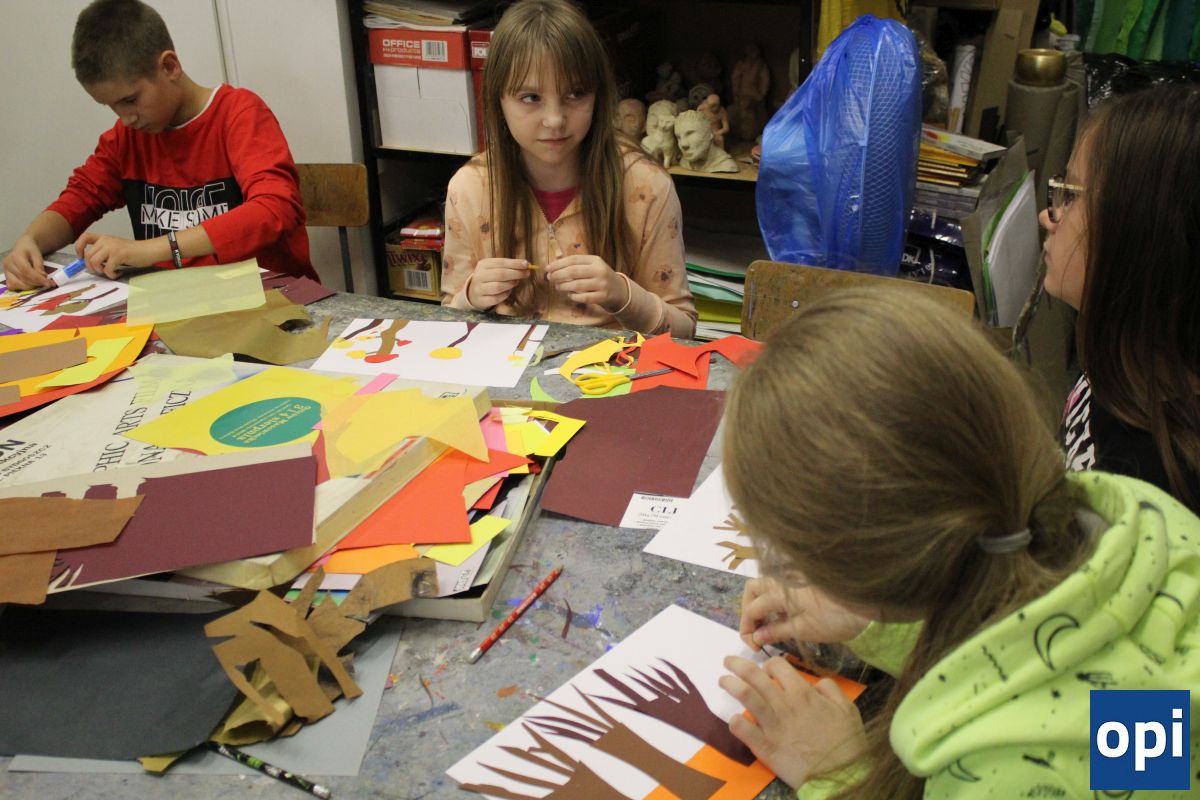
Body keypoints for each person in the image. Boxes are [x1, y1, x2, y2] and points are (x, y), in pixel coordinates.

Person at [718, 287, 1200, 799]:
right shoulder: (1135, 511)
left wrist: (835, 773)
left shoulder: (1001, 771)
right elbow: (1122, 722)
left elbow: (1075, 755)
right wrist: (875, 622)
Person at [2, 0, 317, 290]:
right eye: (112, 106)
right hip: (179, 301)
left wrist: (147, 250)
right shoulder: (127, 138)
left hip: (269, 298)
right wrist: (31, 240)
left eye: (130, 100)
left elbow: (274, 209)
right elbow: (81, 196)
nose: (126, 118)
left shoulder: (239, 114)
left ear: (169, 67)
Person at [440, 0, 696, 338]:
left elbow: (684, 331)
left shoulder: (646, 186)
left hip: (614, 365)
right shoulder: (469, 188)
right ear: (498, 99)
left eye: (575, 94)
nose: (555, 119)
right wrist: (470, 297)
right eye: (531, 97)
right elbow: (447, 319)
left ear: (598, 95)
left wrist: (623, 295)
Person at [1040, 85, 1200, 512]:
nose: (1049, 216)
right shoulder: (1124, 364)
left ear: (1139, 233)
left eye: (1070, 195)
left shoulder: (1152, 487)